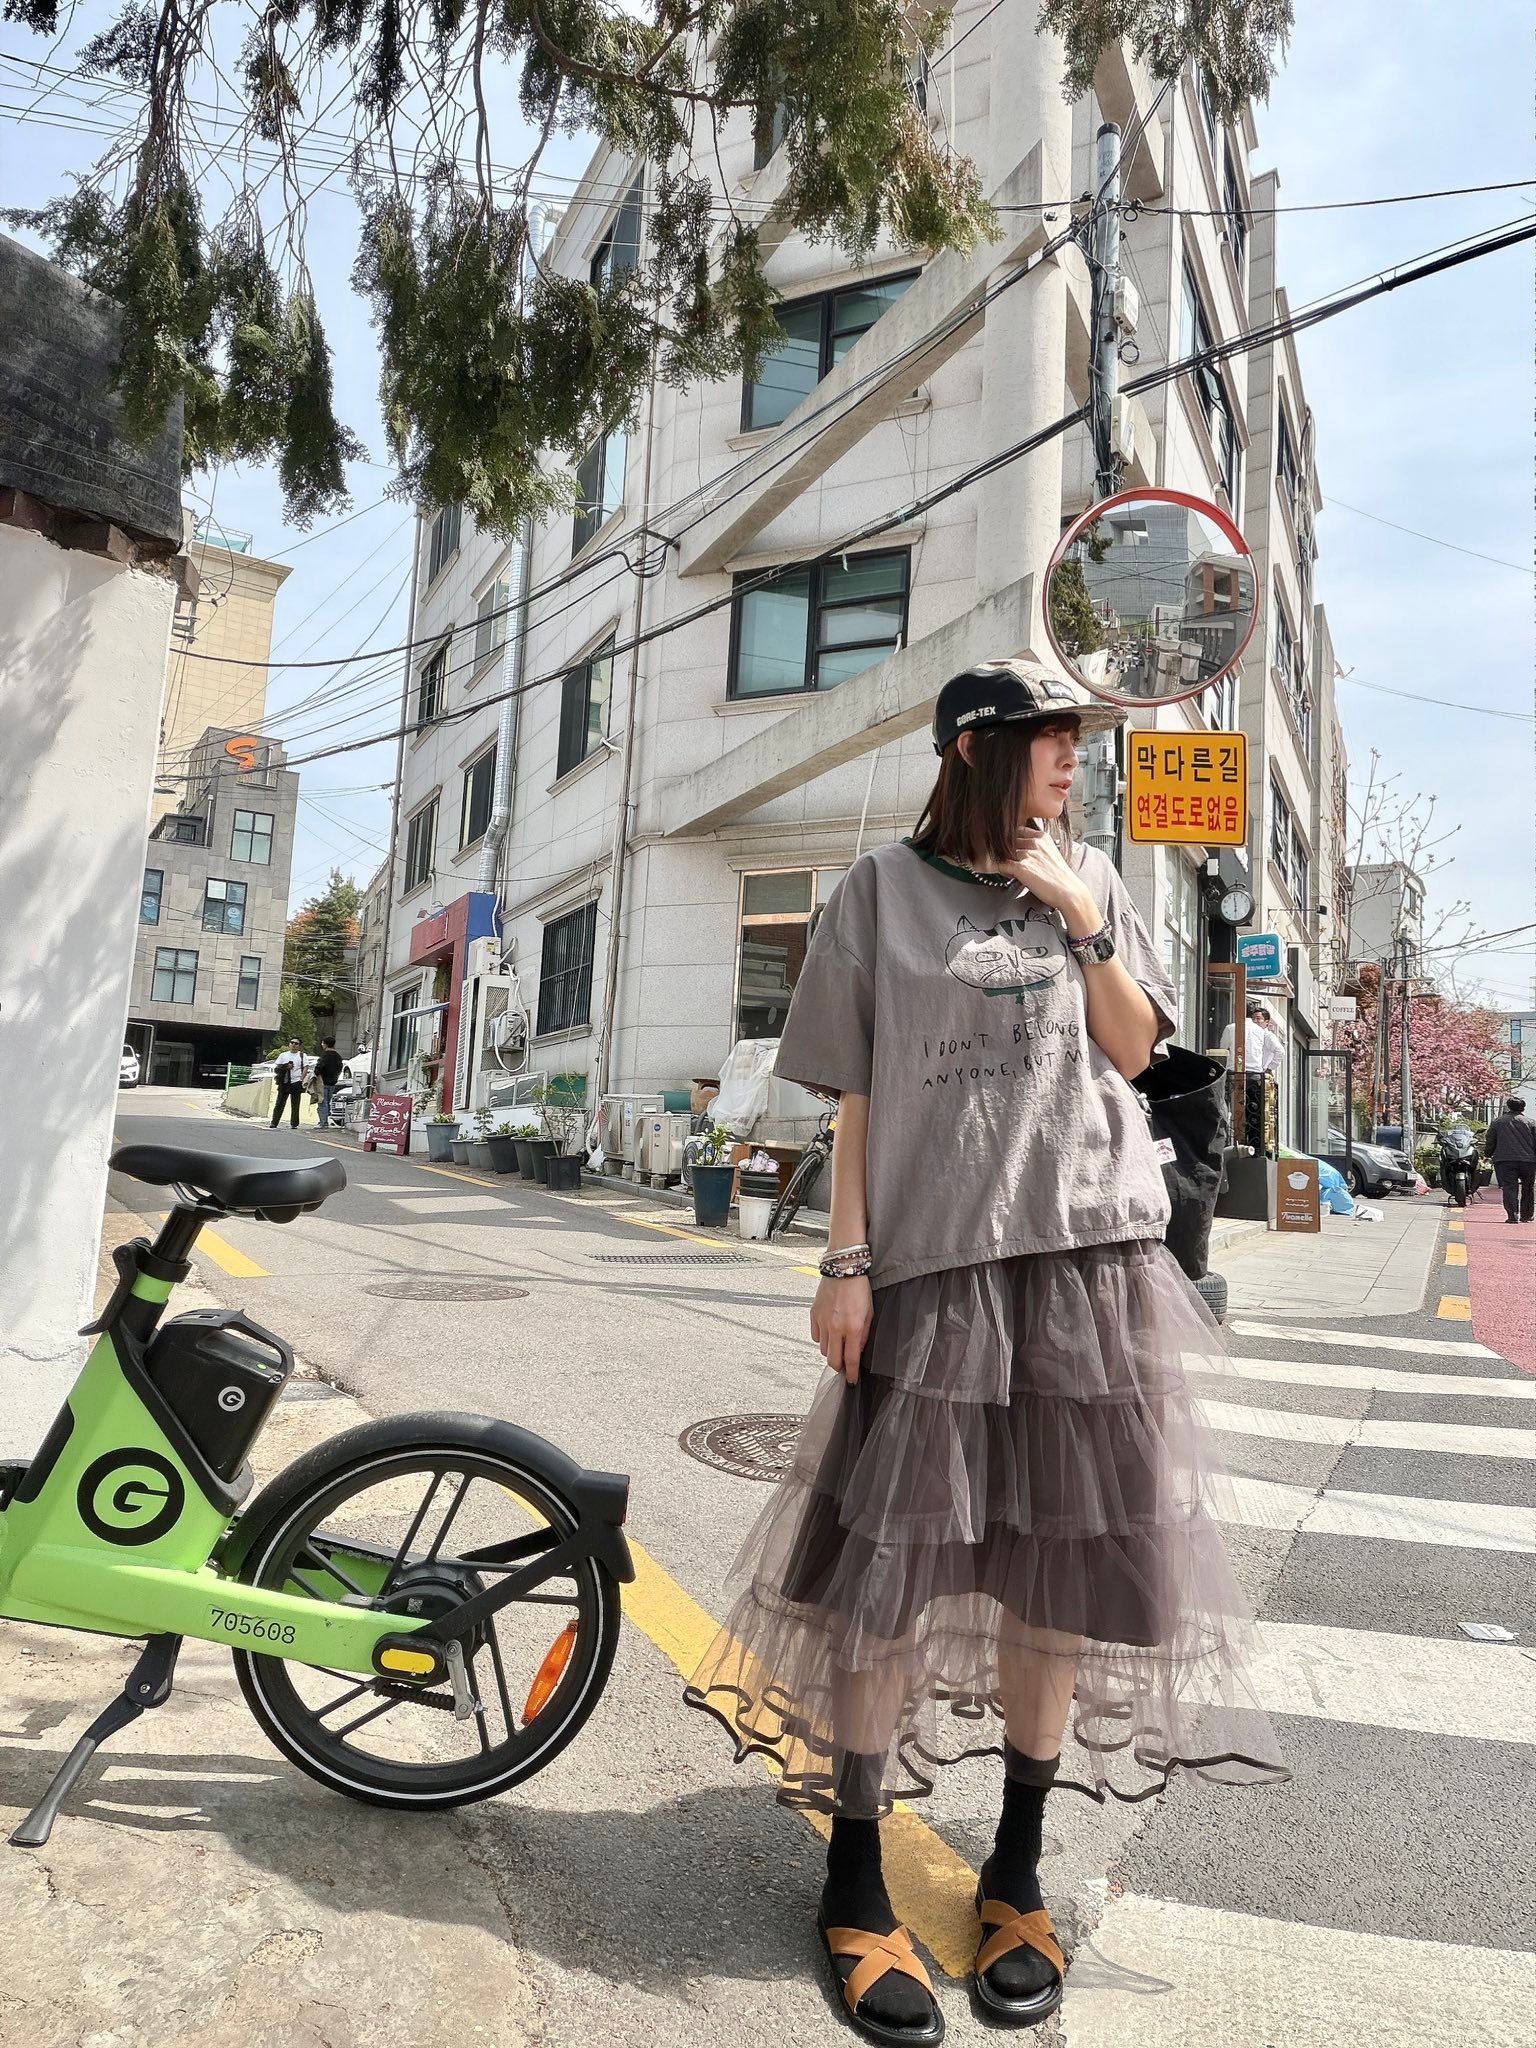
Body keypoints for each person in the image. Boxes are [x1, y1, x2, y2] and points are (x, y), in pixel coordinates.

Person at [685, 659, 1285, 2044]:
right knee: (884, 1580)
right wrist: (843, 1263)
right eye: (1049, 740)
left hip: (1089, 1266)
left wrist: (1083, 915)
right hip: (935, 1272)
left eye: (1077, 742)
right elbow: (855, 1095)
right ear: (974, 749)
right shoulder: (878, 893)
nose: (1073, 762)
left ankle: (1016, 1868)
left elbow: (1132, 1054)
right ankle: (853, 1874)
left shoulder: (1092, 877)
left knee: (1055, 1576)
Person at [1220, 999, 1283, 1152]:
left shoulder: (1230, 1028)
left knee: (1229, 1109)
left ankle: (1230, 1143)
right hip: (1255, 1075)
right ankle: (1254, 1146)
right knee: (1254, 1110)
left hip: (1234, 1074)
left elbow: (1222, 1049)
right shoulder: (1261, 1031)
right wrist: (1268, 1068)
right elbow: (1279, 1051)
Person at [1484, 1097, 1536, 1223]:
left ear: (1508, 1107)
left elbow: (1491, 1140)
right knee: (1528, 1188)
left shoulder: (1498, 1122)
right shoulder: (1531, 1122)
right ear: (1523, 1108)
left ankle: (1512, 1215)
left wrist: (1488, 1153)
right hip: (1528, 1161)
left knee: (1509, 1187)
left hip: (1505, 1160)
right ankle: (1526, 1215)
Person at [269, 1038, 309, 1129]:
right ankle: (274, 1122)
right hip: (284, 1081)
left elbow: (305, 1067)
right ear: (289, 1044)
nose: (294, 1045)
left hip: (296, 1081)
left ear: (299, 1046)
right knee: (279, 1102)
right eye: (292, 1042)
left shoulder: (302, 1055)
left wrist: (301, 1078)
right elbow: (277, 1067)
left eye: (296, 1043)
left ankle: (294, 1123)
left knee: (295, 1103)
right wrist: (286, 1066)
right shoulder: (283, 1055)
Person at [314, 1037, 345, 1128]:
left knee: (322, 1102)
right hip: (333, 1082)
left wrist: (316, 1074)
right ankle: (325, 1120)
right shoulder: (338, 1056)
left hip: (322, 1082)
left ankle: (323, 1122)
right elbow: (340, 1068)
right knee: (328, 1102)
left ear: (325, 1044)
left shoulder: (324, 1056)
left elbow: (319, 1067)